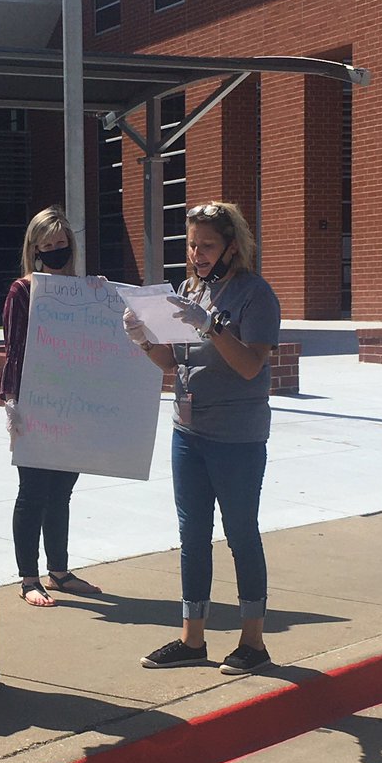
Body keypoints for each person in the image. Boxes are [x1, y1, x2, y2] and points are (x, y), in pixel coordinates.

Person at [123, 201, 280, 675]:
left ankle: (253, 642)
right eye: (192, 244)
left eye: (207, 245)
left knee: (240, 534)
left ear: (233, 246)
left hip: (236, 435)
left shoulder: (255, 295)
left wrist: (210, 326)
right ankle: (193, 640)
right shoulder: (192, 289)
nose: (197, 253)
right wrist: (144, 340)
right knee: (192, 536)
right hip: (188, 431)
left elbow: (251, 366)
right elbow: (173, 366)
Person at [0, 206, 103, 607]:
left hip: (72, 405)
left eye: (61, 244)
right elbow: (14, 349)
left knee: (62, 491)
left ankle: (58, 570)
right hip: (34, 403)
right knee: (33, 492)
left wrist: (102, 298)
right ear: (35, 249)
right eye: (48, 245)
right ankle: (29, 577)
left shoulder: (84, 290)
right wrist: (11, 401)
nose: (56, 250)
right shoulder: (22, 291)